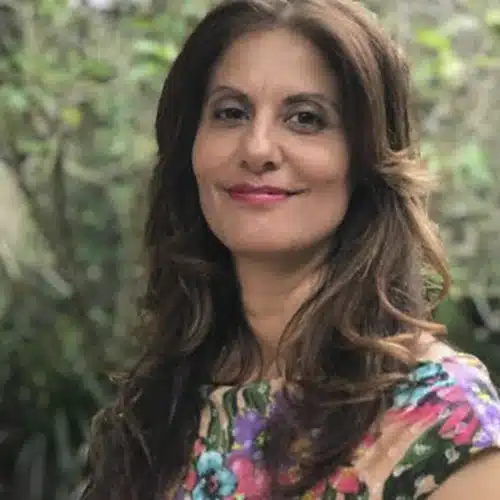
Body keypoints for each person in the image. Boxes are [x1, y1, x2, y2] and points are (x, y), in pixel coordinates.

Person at [81, 0, 500, 498]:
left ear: (367, 159)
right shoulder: (157, 406)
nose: (257, 148)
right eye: (231, 113)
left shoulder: (442, 420)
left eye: (305, 118)